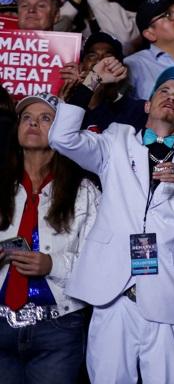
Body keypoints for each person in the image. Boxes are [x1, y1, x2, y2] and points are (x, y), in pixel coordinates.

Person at [48, 67, 174, 384]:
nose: (172, 98)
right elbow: (61, 138)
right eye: (164, 91)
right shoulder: (116, 139)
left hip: (165, 300)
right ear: (146, 104)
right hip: (113, 295)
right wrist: (91, 81)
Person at [0, 92, 100, 382]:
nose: (33, 124)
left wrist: (52, 265)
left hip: (57, 327)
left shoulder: (84, 192)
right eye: (27, 118)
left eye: (46, 119)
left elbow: (99, 264)